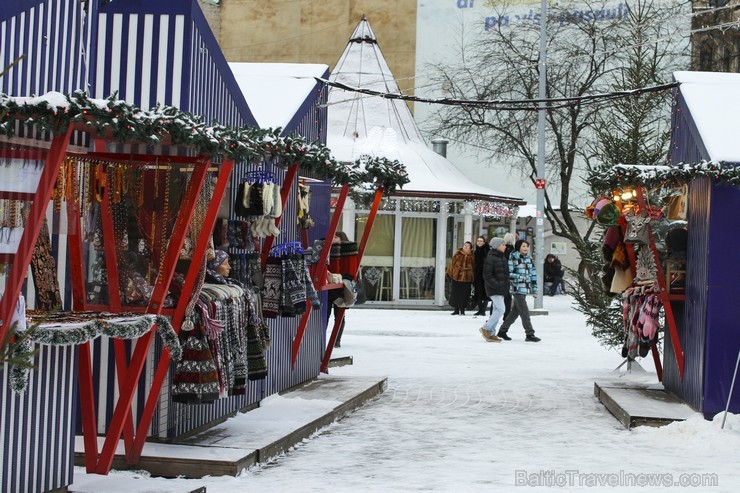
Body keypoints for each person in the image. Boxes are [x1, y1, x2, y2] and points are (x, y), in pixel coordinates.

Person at [496, 239, 541, 342]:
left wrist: (535, 290)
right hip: (516, 289)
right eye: (523, 246)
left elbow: (533, 275)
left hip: (525, 289)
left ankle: (502, 331)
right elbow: (509, 274)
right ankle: (530, 334)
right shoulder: (513, 258)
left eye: (527, 246)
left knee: (515, 312)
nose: (525, 248)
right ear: (518, 247)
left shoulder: (529, 259)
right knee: (525, 312)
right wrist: (522, 277)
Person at [479, 238, 508, 342]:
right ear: (497, 246)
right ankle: (486, 328)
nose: (505, 246)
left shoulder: (502, 258)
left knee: (497, 310)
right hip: (494, 288)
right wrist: (497, 284)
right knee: (501, 309)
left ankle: (491, 333)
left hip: (501, 289)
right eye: (503, 244)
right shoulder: (490, 258)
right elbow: (487, 275)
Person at [446, 241, 475, 315]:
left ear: (470, 248)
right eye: (465, 245)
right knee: (456, 294)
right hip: (457, 277)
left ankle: (462, 310)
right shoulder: (457, 254)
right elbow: (452, 264)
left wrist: (471, 275)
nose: (465, 246)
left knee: (465, 294)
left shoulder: (472, 256)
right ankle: (456, 310)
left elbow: (474, 267)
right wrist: (449, 273)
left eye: (468, 246)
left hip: (467, 278)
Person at [472, 236, 490, 316]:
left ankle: (483, 310)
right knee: (478, 292)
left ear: (484, 242)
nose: (479, 242)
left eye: (481, 241)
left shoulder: (487, 251)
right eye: (478, 241)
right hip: (477, 275)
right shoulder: (476, 251)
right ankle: (480, 309)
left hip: (485, 275)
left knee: (485, 293)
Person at [500, 232, 517, 319]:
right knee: (508, 296)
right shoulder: (515, 251)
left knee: (498, 296)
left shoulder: (502, 249)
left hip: (501, 275)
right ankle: (506, 314)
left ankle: (494, 314)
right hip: (511, 275)